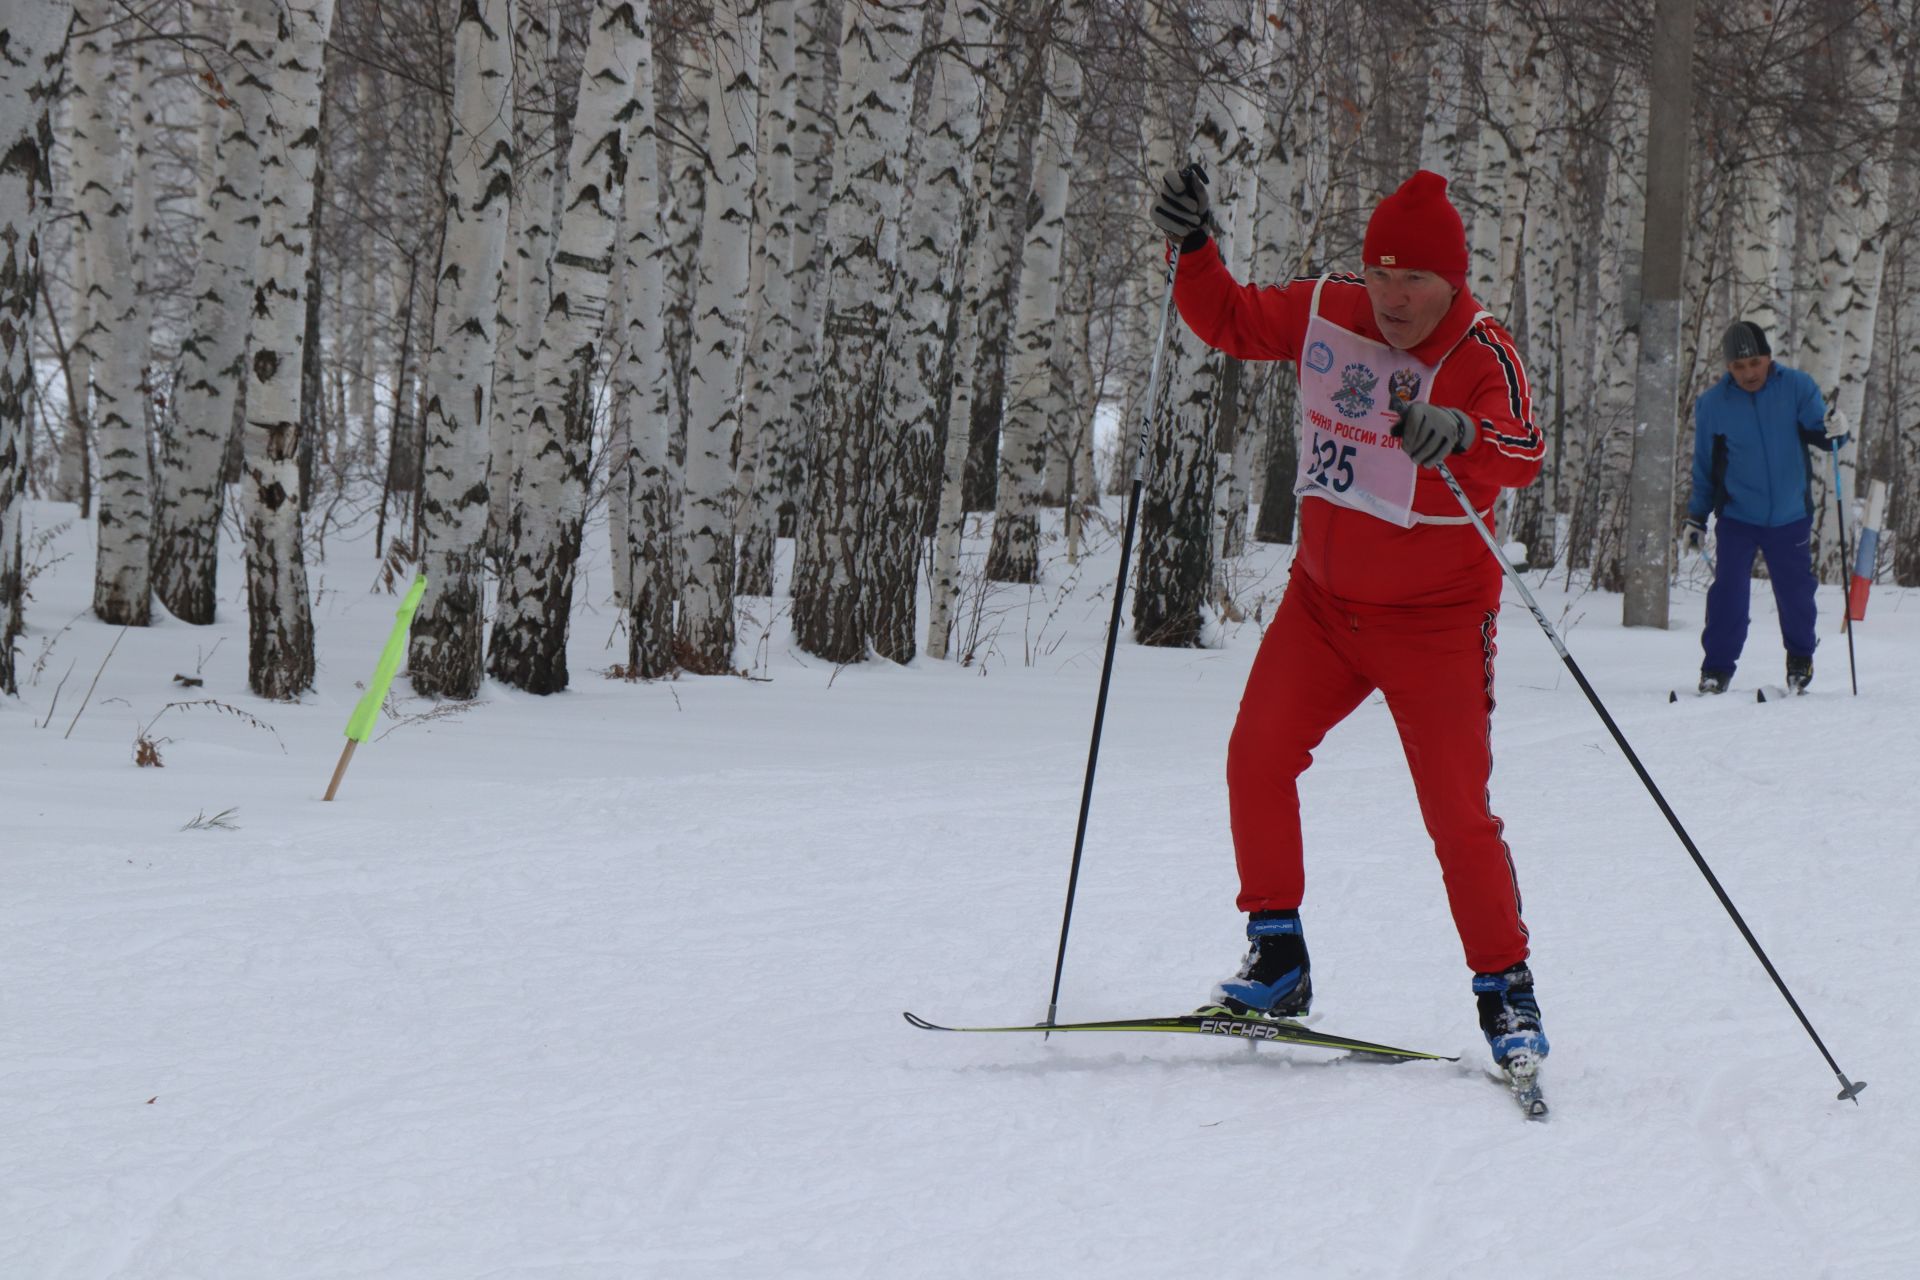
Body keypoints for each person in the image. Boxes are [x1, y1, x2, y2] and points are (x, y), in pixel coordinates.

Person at [1148, 167, 1549, 1073]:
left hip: (1437, 623)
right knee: (1256, 754)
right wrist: (1195, 249)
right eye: (1382, 274)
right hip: (1323, 607)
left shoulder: (1485, 352)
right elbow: (1233, 321)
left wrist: (1464, 433)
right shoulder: (1331, 307)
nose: (1394, 297)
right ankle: (1278, 956)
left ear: (1453, 280)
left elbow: (1525, 448)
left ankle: (1506, 989)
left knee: (1456, 814)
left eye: (1415, 281)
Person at [1683, 320, 1848, 695]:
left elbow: (1823, 435)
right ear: (1728, 368)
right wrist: (1696, 516)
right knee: (1728, 593)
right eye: (1739, 367)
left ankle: (1800, 658)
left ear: (1768, 358)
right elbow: (1705, 466)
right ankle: (1716, 669)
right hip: (1738, 515)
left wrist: (1837, 428)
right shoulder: (1713, 404)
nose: (1748, 373)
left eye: (1755, 363)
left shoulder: (1796, 387)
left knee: (1795, 593)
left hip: (1790, 513)